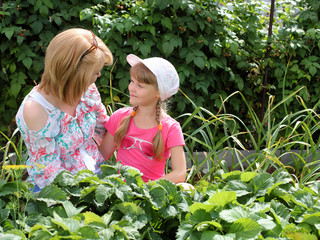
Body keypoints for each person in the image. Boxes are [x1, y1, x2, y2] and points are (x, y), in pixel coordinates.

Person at [15, 28, 113, 191]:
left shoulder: (87, 90)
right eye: (95, 72)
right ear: (72, 72)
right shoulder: (37, 110)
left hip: (94, 176)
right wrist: (86, 194)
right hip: (59, 193)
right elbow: (50, 173)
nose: (99, 75)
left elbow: (105, 128)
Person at [99, 54, 187, 184]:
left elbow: (180, 173)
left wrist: (145, 188)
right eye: (132, 81)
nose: (131, 88)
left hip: (150, 193)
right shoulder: (120, 117)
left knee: (187, 188)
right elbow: (101, 155)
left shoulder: (170, 127)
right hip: (121, 189)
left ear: (159, 93)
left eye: (140, 86)